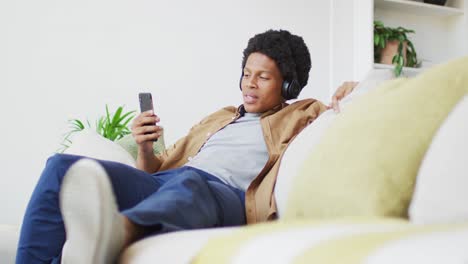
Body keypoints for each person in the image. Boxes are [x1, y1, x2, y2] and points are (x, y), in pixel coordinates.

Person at [15, 29, 357, 263]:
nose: (249, 84)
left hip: (230, 198)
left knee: (190, 182)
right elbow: (156, 172)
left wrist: (352, 91)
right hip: (172, 183)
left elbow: (347, 116)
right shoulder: (219, 117)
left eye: (263, 77)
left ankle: (117, 230)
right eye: (246, 73)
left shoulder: (305, 111)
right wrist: (145, 148)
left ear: (289, 85)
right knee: (61, 166)